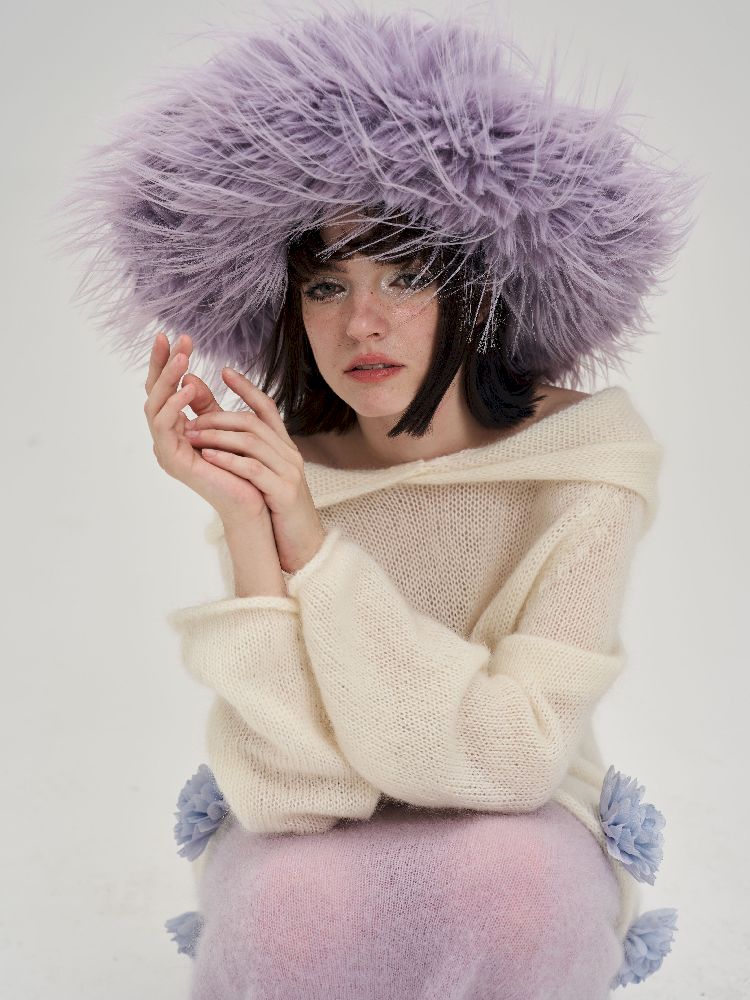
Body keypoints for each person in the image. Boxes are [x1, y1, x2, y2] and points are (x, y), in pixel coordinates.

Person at [55, 4, 702, 997]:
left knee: (515, 879)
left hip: (520, 829)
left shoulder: (583, 464)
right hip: (326, 831)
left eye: (406, 276)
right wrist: (251, 521)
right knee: (285, 900)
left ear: (476, 289)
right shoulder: (282, 468)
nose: (362, 321)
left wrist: (315, 551)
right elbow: (286, 793)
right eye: (326, 286)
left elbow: (514, 760)